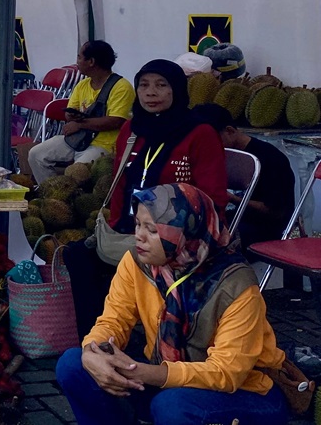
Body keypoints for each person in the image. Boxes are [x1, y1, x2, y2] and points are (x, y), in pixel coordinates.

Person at [56, 183, 288, 425]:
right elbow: (114, 320)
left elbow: (226, 373)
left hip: (246, 392)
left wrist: (146, 372)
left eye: (153, 230)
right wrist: (93, 352)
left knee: (172, 406)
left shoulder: (237, 286)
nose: (139, 237)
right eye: (138, 225)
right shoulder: (136, 262)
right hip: (165, 376)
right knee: (73, 365)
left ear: (185, 234)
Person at [65, 58, 228, 340]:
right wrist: (118, 225)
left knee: (131, 262)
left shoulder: (199, 133)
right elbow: (120, 184)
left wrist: (172, 235)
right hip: (132, 230)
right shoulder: (131, 130)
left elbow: (213, 199)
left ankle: (157, 342)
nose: (151, 93)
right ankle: (96, 343)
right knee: (77, 256)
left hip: (180, 236)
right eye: (144, 85)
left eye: (161, 86)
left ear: (177, 90)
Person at [29, 41, 135, 183]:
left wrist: (79, 125)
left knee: (75, 173)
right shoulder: (82, 84)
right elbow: (69, 114)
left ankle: (69, 199)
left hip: (104, 145)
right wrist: (70, 115)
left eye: (79, 57)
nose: (77, 61)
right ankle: (51, 195)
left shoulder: (122, 87)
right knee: (36, 154)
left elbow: (116, 121)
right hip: (77, 139)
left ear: (91, 61)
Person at [193, 103, 296, 248]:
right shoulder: (215, 154)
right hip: (234, 216)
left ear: (229, 131)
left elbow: (276, 212)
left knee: (207, 241)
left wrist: (232, 198)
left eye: (211, 139)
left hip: (263, 227)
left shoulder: (271, 158)